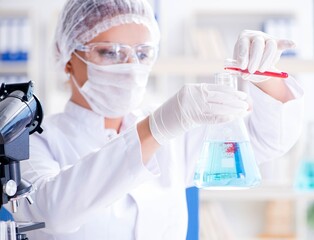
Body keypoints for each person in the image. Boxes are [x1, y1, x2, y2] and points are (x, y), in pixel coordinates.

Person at [9, 0, 303, 239]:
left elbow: (266, 141)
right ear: (68, 57)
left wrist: (265, 76)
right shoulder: (31, 141)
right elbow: (52, 214)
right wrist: (155, 128)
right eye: (109, 52)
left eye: (143, 52)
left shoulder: (176, 133)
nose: (130, 66)